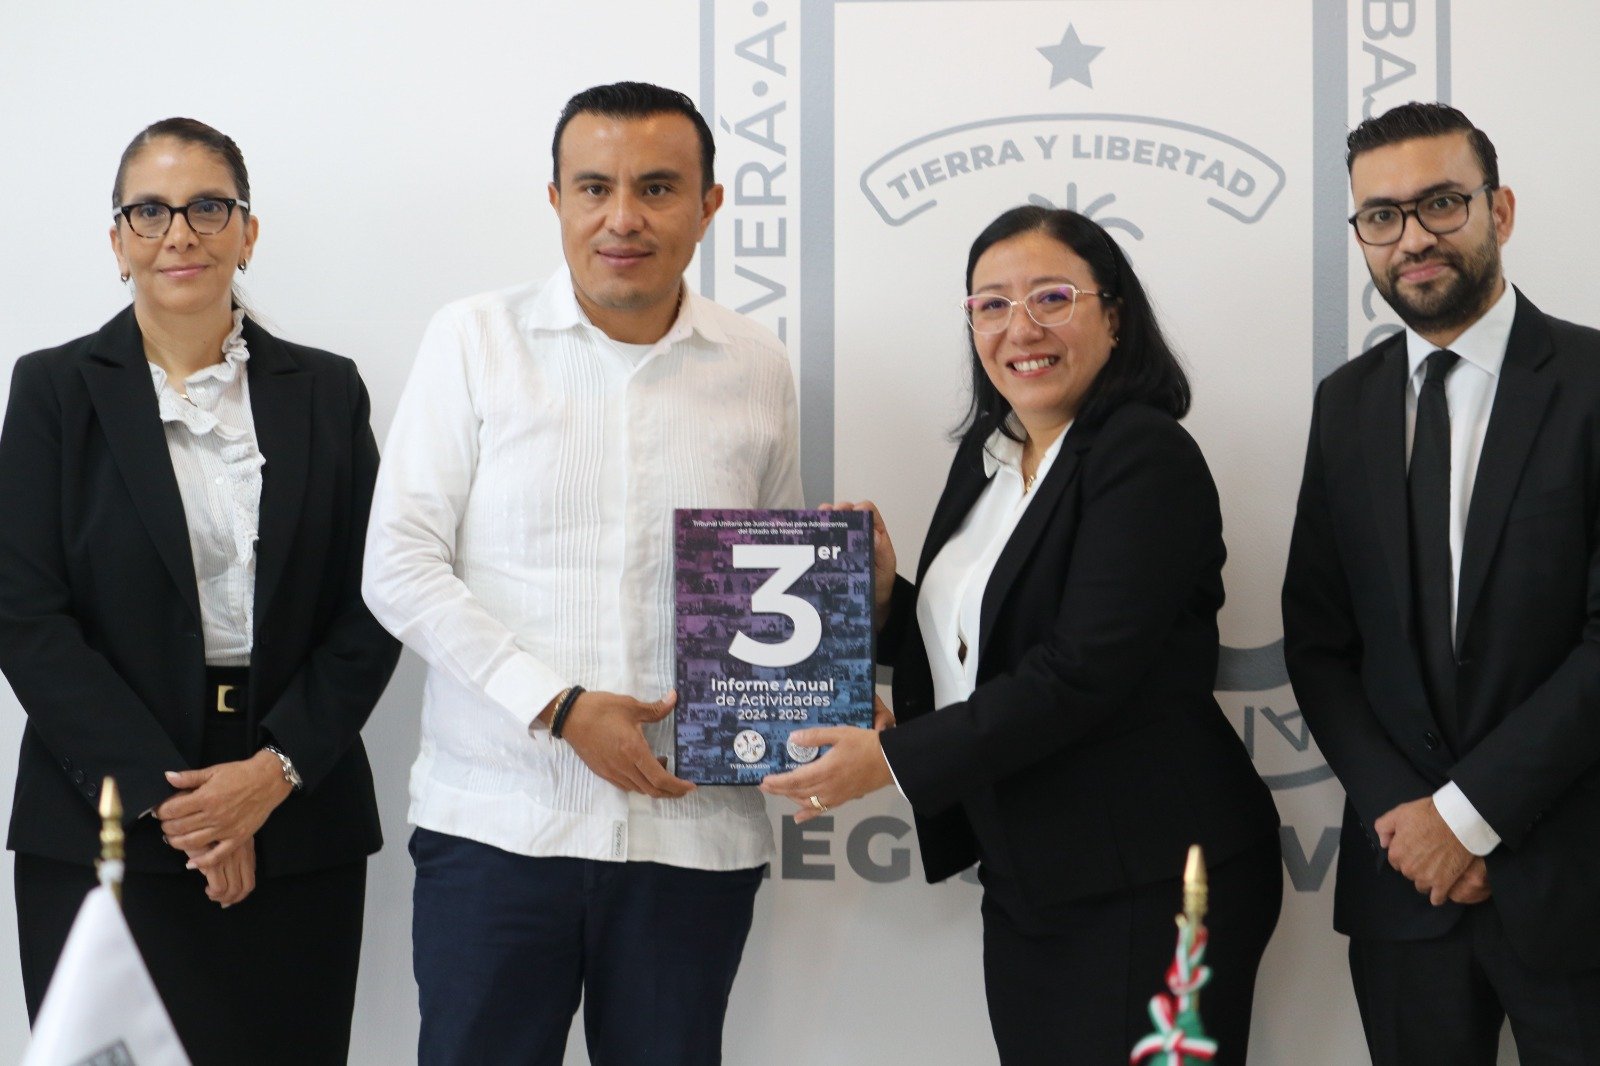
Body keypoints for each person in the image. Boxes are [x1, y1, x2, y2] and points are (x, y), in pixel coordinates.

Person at [761, 205, 1282, 1064]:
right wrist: (889, 602)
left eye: (1051, 297)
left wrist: (893, 760)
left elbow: (1080, 671)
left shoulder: (1144, 455)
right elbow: (993, 639)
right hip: (1035, 871)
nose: (1020, 327)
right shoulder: (992, 455)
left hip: (1151, 875)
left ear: (1113, 316)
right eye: (991, 305)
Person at [362, 81, 802, 1066]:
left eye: (656, 188)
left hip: (693, 843)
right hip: (497, 832)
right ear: (554, 199)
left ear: (709, 205)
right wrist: (559, 707)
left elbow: (763, 594)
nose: (623, 218)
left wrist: (839, 624)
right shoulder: (474, 339)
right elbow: (397, 563)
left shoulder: (757, 362)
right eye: (593, 187)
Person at [0, 117, 399, 1064]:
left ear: (247, 231)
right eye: (150, 210)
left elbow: (379, 599)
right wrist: (172, 805)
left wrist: (273, 776)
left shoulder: (327, 393)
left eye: (207, 207)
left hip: (294, 808)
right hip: (102, 810)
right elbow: (24, 612)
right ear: (117, 241)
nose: (179, 233)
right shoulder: (53, 390)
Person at [1283, 101, 1600, 1061]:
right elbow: (1321, 641)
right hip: (1403, 890)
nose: (1412, 237)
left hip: (1573, 884)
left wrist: (1469, 817)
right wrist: (1408, 822)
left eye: (1442, 204)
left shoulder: (1593, 383)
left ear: (1499, 210)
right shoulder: (1346, 406)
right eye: (1382, 216)